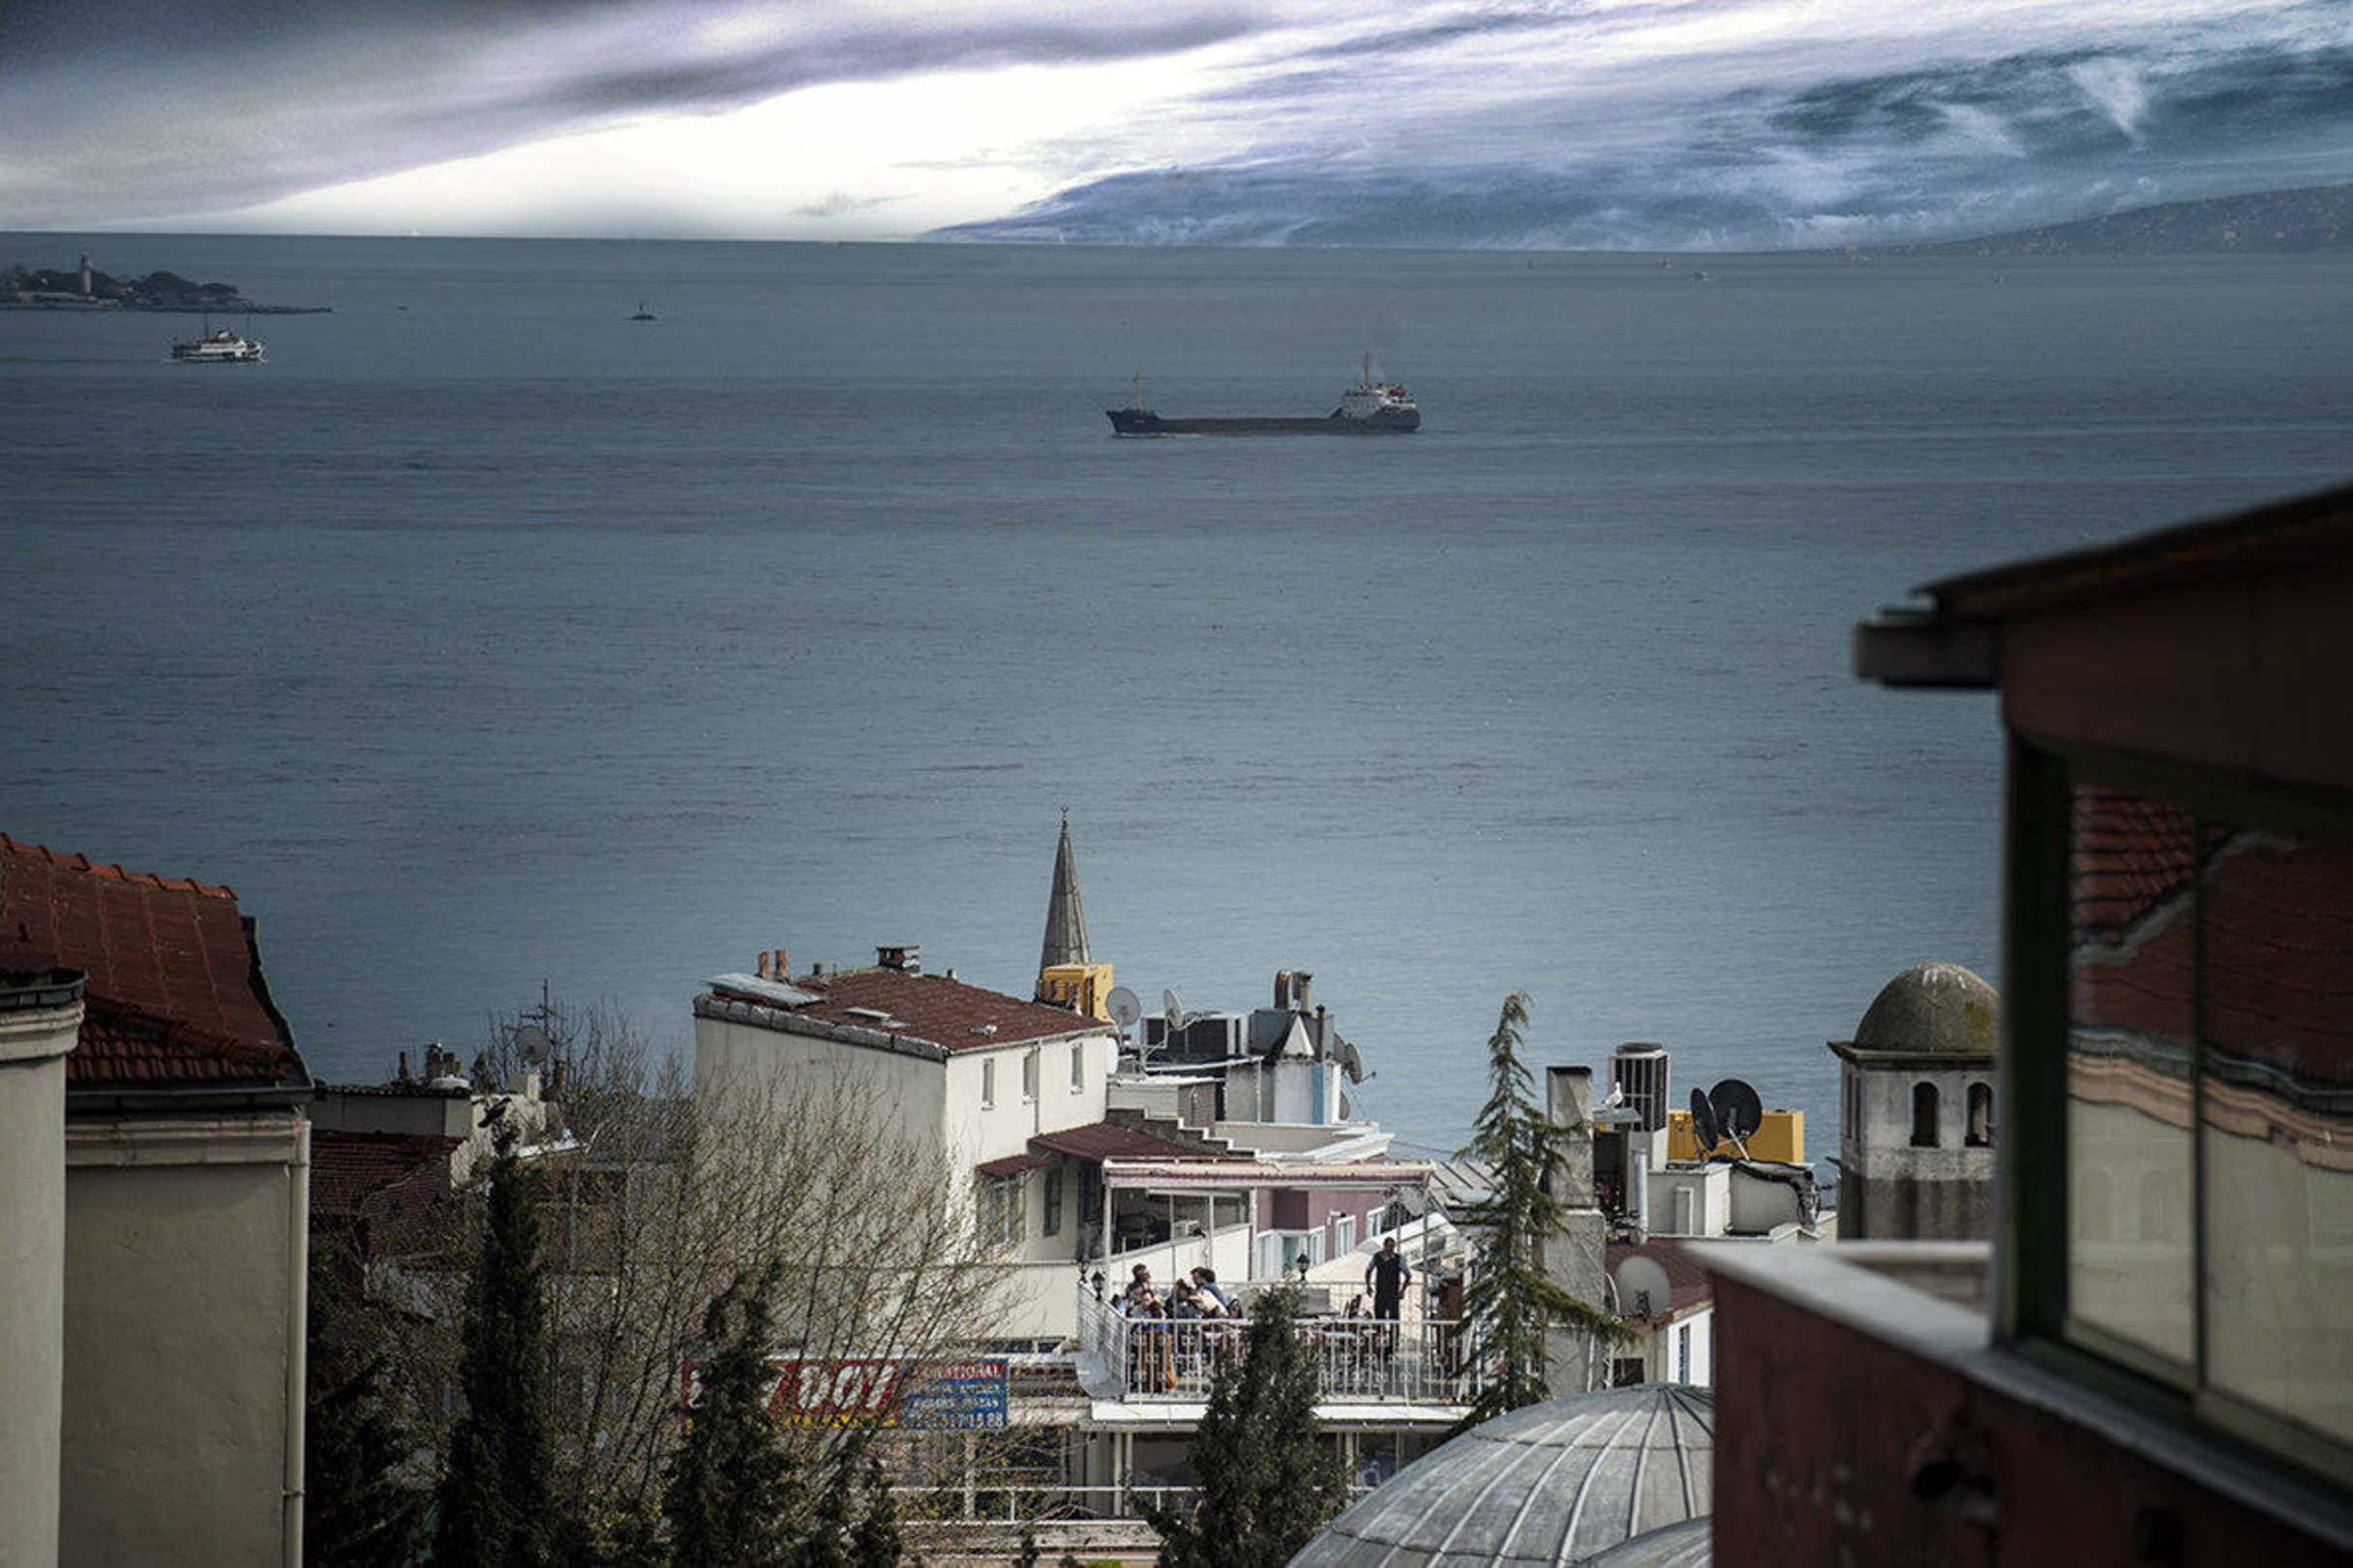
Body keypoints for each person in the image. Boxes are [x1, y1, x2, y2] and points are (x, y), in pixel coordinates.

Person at [1366, 1236, 1412, 1325]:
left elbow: (1408, 1274)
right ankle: (1380, 1333)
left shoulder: (1398, 1259)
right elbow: (1368, 1270)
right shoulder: (1377, 1257)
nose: (1391, 1249)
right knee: (1379, 1318)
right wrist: (1368, 1286)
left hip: (1393, 1293)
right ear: (1384, 1246)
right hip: (1380, 1291)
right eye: (1389, 1246)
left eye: (1392, 1247)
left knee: (1394, 1320)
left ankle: (1393, 1334)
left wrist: (1402, 1290)